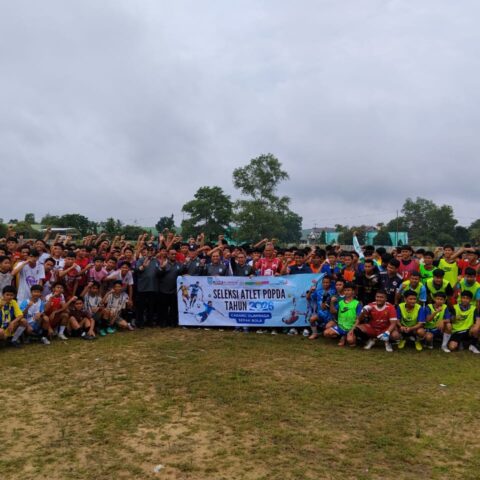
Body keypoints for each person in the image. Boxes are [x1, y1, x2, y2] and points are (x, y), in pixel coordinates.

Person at [324, 282, 362, 346]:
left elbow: (358, 319)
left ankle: (349, 337)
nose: (346, 292)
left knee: (351, 342)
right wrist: (332, 302)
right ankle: (343, 336)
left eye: (348, 290)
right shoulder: (341, 302)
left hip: (351, 327)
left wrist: (352, 330)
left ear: (353, 291)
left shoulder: (357, 303)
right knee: (326, 333)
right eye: (345, 290)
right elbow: (333, 312)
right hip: (341, 326)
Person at [135, 245, 160, 328]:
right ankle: (140, 322)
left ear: (154, 251)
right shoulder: (141, 260)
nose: (150, 252)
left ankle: (150, 322)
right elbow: (137, 270)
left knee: (151, 307)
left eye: (151, 250)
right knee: (141, 307)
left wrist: (162, 269)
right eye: (148, 250)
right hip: (142, 287)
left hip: (153, 287)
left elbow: (159, 272)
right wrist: (143, 266)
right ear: (145, 251)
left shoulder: (156, 261)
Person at [307, 275, 335, 339]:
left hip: (330, 315)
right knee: (312, 319)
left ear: (330, 283)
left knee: (328, 328)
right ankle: (314, 334)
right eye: (324, 282)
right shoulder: (318, 291)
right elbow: (308, 298)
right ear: (322, 283)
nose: (325, 284)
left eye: (327, 282)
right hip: (320, 314)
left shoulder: (333, 291)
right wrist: (310, 291)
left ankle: (333, 333)